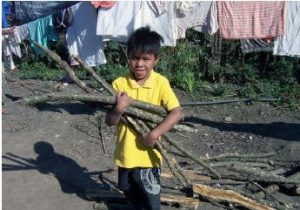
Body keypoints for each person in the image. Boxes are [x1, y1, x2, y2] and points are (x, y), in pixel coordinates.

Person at [105, 27, 182, 210]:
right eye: (134, 58)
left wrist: (154, 134)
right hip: (126, 154)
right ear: (128, 57)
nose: (139, 64)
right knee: (127, 190)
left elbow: (177, 112)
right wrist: (118, 109)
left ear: (156, 60)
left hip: (149, 157)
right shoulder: (119, 84)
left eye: (146, 59)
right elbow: (109, 121)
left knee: (151, 201)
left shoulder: (160, 83)